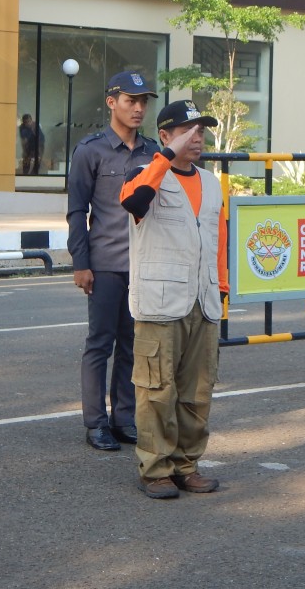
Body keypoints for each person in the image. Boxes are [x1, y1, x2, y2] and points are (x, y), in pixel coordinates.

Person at [120, 99, 229, 499]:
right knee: (156, 390)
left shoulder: (211, 182)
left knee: (197, 390)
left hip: (203, 301)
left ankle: (187, 464)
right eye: (187, 130)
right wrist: (165, 156)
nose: (196, 137)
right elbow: (132, 202)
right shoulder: (145, 172)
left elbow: (217, 239)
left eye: (201, 129)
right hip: (159, 302)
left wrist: (221, 288)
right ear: (165, 135)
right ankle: (156, 469)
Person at [67, 71, 161, 452]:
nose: (138, 109)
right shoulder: (90, 150)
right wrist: (80, 262)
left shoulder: (152, 152)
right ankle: (96, 423)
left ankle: (124, 418)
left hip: (141, 265)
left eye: (143, 102)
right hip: (105, 264)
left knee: (132, 344)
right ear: (112, 103)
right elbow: (77, 211)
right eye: (130, 101)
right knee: (99, 344)